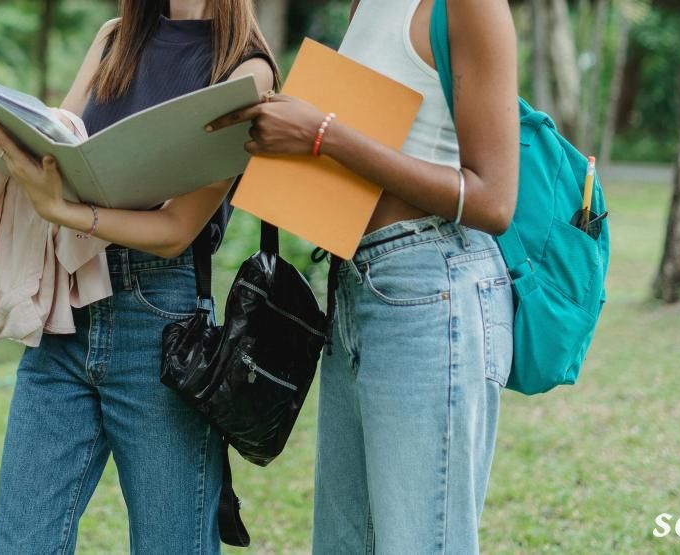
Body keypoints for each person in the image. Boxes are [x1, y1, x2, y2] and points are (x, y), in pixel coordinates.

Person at [208, 0, 518, 552]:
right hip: (355, 283)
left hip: (431, 286)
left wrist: (322, 135)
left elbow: (494, 200)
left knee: (420, 541)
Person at [0, 1, 276, 553]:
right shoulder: (115, 38)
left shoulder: (245, 71)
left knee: (171, 543)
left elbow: (177, 228)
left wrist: (63, 211)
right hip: (67, 309)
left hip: (160, 319)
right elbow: (58, 146)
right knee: (22, 541)